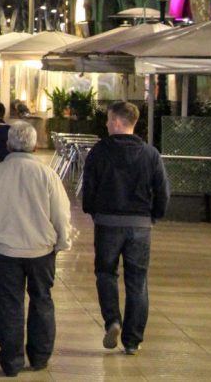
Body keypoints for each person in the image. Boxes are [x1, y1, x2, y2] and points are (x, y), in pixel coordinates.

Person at [0, 123, 73, 376]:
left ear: (7, 145)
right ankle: (39, 357)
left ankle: (11, 361)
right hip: (41, 251)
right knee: (42, 302)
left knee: (8, 306)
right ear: (36, 146)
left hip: (6, 252)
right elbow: (61, 214)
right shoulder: (48, 175)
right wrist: (62, 242)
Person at [82, 101, 169, 356]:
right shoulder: (150, 154)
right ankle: (132, 340)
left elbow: (88, 188)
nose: (107, 124)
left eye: (109, 120)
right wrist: (154, 216)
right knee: (137, 280)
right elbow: (163, 191)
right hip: (140, 225)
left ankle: (112, 321)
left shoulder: (99, 151)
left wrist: (93, 211)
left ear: (118, 122)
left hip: (108, 223)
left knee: (106, 273)